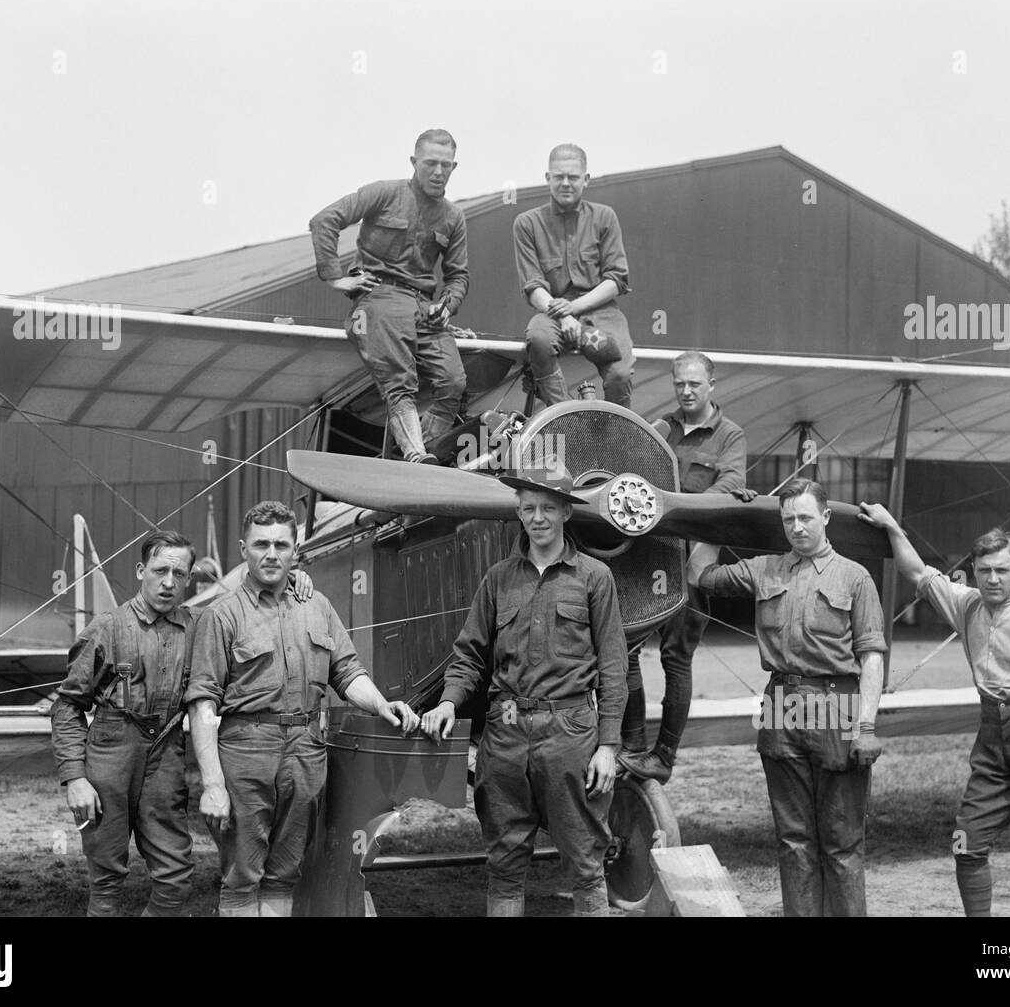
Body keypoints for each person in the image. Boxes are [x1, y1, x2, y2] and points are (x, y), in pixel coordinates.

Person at [857, 503, 1010, 917]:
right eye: (984, 570)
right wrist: (891, 527)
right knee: (967, 842)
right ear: (973, 570)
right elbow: (918, 573)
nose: (992, 579)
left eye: (1001, 570)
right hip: (992, 736)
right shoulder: (967, 605)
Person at [185, 501, 419, 917]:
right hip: (246, 752)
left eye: (281, 544)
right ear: (244, 549)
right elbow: (203, 704)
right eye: (261, 545)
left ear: (296, 550)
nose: (271, 554)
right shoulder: (220, 616)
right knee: (242, 877)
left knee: (283, 874)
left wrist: (383, 704)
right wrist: (214, 784)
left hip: (306, 752)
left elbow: (347, 673)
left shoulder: (318, 607)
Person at [421, 464, 627, 916]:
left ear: (566, 512)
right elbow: (470, 653)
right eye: (529, 508)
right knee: (505, 864)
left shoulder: (594, 578)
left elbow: (614, 667)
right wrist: (448, 703)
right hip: (506, 735)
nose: (538, 518)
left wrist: (608, 746)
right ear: (517, 510)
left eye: (548, 508)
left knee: (586, 863)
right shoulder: (498, 579)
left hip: (570, 735)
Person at [687, 479, 886, 916]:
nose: (796, 527)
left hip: (838, 708)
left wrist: (866, 727)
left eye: (805, 518)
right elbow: (698, 575)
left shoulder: (855, 578)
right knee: (793, 841)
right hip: (781, 708)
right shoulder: (765, 570)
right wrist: (717, 516)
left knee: (842, 843)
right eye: (788, 519)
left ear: (826, 517)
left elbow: (871, 657)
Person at [620, 351, 755, 783]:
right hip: (646, 557)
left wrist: (675, 507)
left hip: (693, 560)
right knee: (623, 651)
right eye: (679, 383)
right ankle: (633, 746)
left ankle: (664, 757)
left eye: (695, 383)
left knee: (677, 659)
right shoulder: (659, 429)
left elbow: (729, 487)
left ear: (712, 385)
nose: (686, 390)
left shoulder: (731, 436)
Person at [50, 530, 199, 917]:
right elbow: (67, 706)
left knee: (175, 877)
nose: (169, 582)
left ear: (189, 577)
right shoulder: (107, 628)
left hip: (166, 755)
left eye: (179, 574)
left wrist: (295, 580)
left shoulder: (200, 629)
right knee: (106, 881)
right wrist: (75, 778)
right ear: (140, 570)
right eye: (160, 570)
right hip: (110, 756)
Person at [309, 129, 472, 464]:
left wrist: (448, 305)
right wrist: (334, 278)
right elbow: (324, 220)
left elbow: (458, 276)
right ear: (414, 162)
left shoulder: (454, 217)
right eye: (430, 163)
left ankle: (416, 452)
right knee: (400, 381)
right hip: (379, 300)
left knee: (454, 382)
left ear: (455, 167)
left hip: (425, 309)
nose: (438, 172)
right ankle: (415, 454)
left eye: (445, 165)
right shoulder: (383, 193)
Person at [513, 144, 635, 409]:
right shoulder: (527, 223)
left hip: (601, 310)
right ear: (547, 179)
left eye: (573, 177)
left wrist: (575, 307)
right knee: (539, 339)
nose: (565, 183)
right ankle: (565, 415)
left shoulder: (605, 217)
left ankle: (616, 435)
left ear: (586, 179)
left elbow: (616, 279)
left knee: (621, 374)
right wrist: (565, 315)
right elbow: (533, 286)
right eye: (559, 177)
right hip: (553, 310)